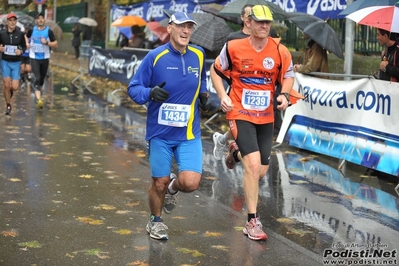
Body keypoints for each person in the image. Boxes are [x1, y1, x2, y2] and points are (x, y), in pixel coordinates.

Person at [210, 5, 294, 241]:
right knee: (254, 165)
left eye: (268, 23)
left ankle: (235, 153)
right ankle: (251, 221)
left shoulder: (279, 50)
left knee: (262, 170)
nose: (265, 26)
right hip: (240, 112)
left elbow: (288, 75)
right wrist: (223, 95)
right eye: (260, 22)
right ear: (249, 23)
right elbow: (215, 70)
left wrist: (284, 95)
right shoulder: (234, 46)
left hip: (266, 115)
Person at [126, 12, 210, 240]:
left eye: (189, 27)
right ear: (170, 28)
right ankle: (155, 221)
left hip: (188, 132)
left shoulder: (199, 54)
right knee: (159, 183)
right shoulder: (155, 57)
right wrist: (150, 93)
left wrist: (203, 93)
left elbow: (202, 77)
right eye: (181, 27)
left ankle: (174, 188)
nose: (186, 32)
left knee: (191, 183)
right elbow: (133, 88)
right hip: (160, 133)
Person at [27, 12, 58, 109]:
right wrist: (27, 44)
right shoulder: (32, 30)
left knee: (41, 79)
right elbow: (25, 37)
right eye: (38, 18)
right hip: (34, 57)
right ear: (36, 21)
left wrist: (47, 43)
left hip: (45, 58)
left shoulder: (49, 31)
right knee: (37, 77)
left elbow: (55, 44)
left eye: (42, 18)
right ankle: (39, 99)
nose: (40, 20)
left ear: (44, 20)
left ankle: (37, 92)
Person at [0, 13, 27, 115]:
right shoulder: (1, 34)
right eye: (10, 20)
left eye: (14, 20)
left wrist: (20, 51)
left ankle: (10, 91)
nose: (12, 22)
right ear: (7, 22)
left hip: (16, 63)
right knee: (7, 85)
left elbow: (23, 47)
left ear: (16, 22)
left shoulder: (20, 34)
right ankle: (8, 104)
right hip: (5, 62)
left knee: (14, 87)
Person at [20, 24, 33, 89]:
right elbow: (18, 45)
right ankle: (22, 78)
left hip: (28, 55)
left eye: (28, 29)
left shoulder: (31, 37)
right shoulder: (21, 36)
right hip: (22, 55)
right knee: (22, 69)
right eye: (26, 29)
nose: (27, 30)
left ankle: (28, 75)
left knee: (28, 69)